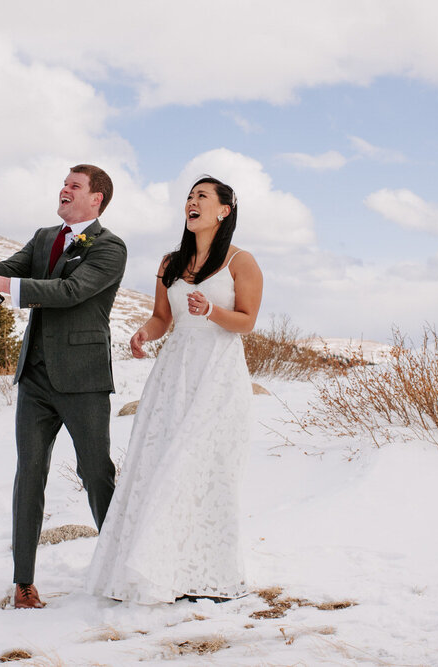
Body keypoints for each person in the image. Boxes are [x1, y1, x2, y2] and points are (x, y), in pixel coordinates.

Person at [0, 164, 127, 609]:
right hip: (36, 378)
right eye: (63, 184)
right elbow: (10, 268)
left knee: (95, 473)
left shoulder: (110, 247)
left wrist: (4, 284)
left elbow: (70, 290)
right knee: (29, 474)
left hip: (83, 379)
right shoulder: (45, 236)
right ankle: (23, 582)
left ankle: (120, 564)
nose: (64, 190)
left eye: (74, 186)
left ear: (96, 198)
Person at [86, 175, 262, 604]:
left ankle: (207, 573)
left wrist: (214, 310)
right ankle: (158, 569)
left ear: (224, 210)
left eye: (202, 196)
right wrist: (145, 334)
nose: (191, 202)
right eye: (189, 196)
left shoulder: (242, 261)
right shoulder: (169, 262)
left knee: (203, 466)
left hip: (218, 372)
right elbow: (163, 317)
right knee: (162, 461)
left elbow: (246, 321)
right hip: (174, 372)